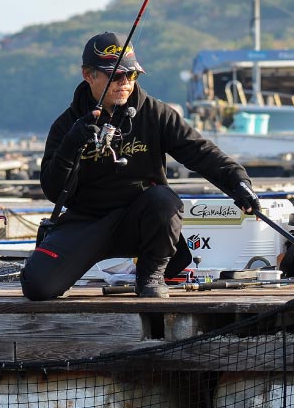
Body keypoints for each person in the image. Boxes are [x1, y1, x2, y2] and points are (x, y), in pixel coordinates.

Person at [20, 31, 261, 300]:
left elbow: (201, 152)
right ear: (88, 75)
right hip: (87, 221)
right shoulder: (66, 125)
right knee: (37, 288)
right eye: (115, 75)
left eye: (131, 75)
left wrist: (239, 182)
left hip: (141, 221)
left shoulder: (155, 113)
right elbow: (53, 191)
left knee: (163, 199)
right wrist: (70, 145)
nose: (124, 82)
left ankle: (151, 276)